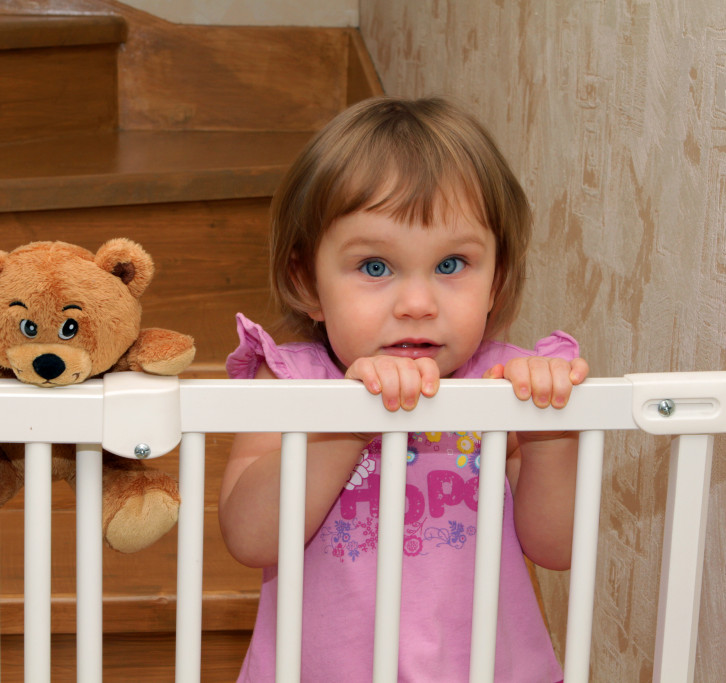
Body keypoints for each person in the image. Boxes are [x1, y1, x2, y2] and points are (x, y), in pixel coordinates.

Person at [219, 96, 589, 682]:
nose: (417, 304)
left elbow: (557, 547)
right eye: (374, 267)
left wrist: (551, 435)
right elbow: (251, 537)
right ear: (305, 279)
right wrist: (347, 424)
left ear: (498, 281)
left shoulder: (505, 385)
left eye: (451, 266)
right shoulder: (292, 382)